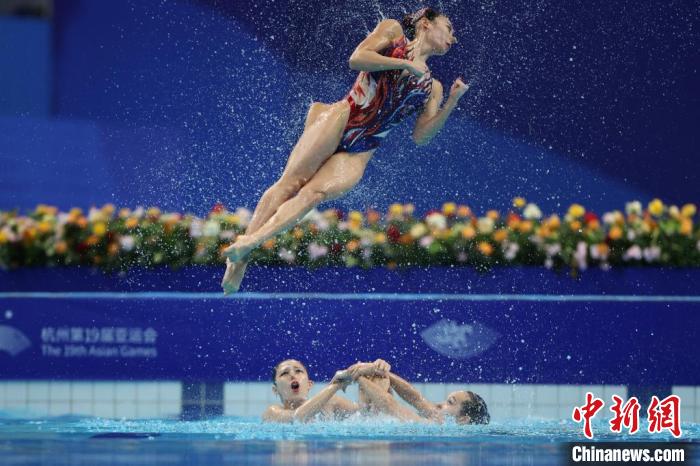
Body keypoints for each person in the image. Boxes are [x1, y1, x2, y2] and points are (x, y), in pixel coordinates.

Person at [222, 7, 468, 294]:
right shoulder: (393, 33)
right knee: (290, 184)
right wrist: (403, 65)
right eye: (449, 28)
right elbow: (357, 59)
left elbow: (422, 137)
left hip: (363, 148)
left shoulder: (432, 87)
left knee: (313, 194)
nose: (454, 37)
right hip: (340, 119)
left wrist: (451, 101)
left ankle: (249, 243)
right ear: (425, 23)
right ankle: (237, 264)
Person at [345, 359, 490, 424]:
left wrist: (358, 376)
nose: (440, 404)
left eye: (449, 403)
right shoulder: (439, 418)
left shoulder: (435, 428)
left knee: (379, 385)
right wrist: (382, 372)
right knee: (380, 380)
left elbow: (391, 406)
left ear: (463, 419)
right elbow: (416, 398)